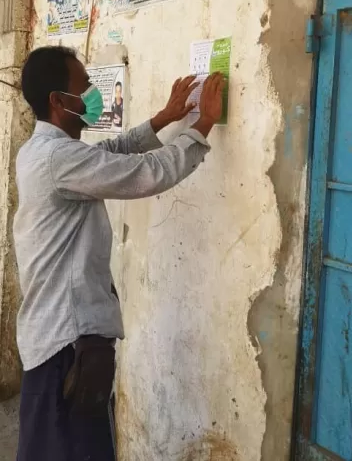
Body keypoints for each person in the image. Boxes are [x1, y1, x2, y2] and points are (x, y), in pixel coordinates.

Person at [14, 45, 225, 461]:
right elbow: (146, 173)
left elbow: (107, 154)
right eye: (84, 87)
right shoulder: (59, 158)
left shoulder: (40, 151)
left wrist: (163, 119)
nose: (93, 94)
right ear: (58, 101)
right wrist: (203, 125)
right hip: (66, 347)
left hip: (52, 338)